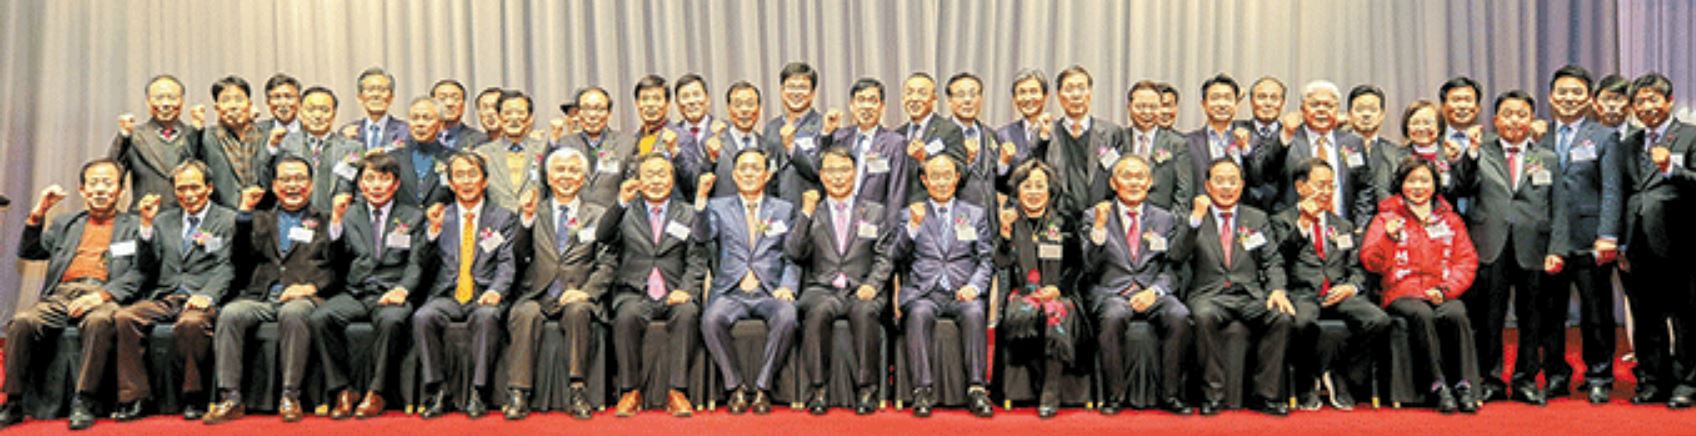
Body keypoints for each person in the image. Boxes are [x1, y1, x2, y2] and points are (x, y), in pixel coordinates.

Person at [1, 159, 149, 430]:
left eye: (108, 183)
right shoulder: (65, 223)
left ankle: (85, 400)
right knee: (21, 322)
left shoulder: (136, 225)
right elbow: (30, 252)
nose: (100, 189)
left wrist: (102, 295)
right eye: (94, 183)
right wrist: (38, 213)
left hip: (105, 294)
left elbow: (141, 271)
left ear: (120, 191)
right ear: (82, 190)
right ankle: (13, 401)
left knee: (99, 321)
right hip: (62, 294)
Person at [1449, 90, 1562, 405]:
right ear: (1495, 120)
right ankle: (1492, 379)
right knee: (1490, 318)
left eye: (1522, 114)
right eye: (1508, 114)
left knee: (1532, 318)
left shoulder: (1547, 157)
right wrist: (1470, 153)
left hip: (1533, 247)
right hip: (1490, 244)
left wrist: (1557, 249)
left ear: (1532, 119)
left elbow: (1559, 207)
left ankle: (1526, 379)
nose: (1515, 120)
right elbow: (1460, 186)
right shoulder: (1481, 153)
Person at [204, 156, 337, 424]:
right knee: (230, 314)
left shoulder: (326, 220)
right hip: (263, 296)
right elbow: (239, 258)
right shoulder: (260, 219)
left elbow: (338, 265)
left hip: (303, 296)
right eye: (285, 179)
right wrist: (244, 213)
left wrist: (310, 287)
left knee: (294, 313)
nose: (293, 185)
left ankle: (290, 396)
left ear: (311, 184)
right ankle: (231, 397)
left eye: (299, 179)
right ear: (275, 186)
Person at [313, 153, 431, 419]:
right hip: (356, 291)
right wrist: (335, 222)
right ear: (361, 184)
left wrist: (402, 290)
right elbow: (333, 260)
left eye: (384, 179)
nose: (376, 185)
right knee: (320, 318)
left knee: (392, 321)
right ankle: (342, 389)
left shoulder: (413, 216)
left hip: (392, 291)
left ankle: (377, 392)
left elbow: (417, 263)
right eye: (370, 179)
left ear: (396, 184)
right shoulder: (350, 215)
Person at [112, 160, 232, 422]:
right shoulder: (163, 220)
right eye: (181, 189)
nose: (188, 195)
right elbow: (145, 265)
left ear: (209, 188)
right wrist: (146, 226)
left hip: (202, 296)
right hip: (166, 295)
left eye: (194, 187)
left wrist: (208, 295)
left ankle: (193, 397)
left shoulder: (227, 220)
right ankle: (135, 397)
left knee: (191, 324)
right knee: (124, 317)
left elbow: (227, 266)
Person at [1171, 158, 1292, 416]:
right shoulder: (1192, 218)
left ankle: (1265, 395)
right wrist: (1195, 220)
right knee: (1203, 316)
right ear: (1207, 186)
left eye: (1232, 181)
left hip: (1249, 295)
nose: (1226, 187)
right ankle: (1213, 395)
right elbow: (1176, 256)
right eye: (1219, 181)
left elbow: (1272, 261)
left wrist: (1277, 290)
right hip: (1209, 295)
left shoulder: (1256, 218)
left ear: (1242, 185)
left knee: (1280, 316)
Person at [1360, 157, 1481, 413]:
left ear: (1435, 185)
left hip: (1441, 290)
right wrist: (1388, 238)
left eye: (1424, 180)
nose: (1418, 187)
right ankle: (1437, 385)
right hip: (1403, 292)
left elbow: (1466, 261)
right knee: (1421, 314)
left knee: (1456, 312)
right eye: (1411, 181)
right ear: (1401, 185)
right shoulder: (1386, 218)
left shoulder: (1450, 220)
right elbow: (1371, 262)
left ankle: (1464, 385)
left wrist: (1446, 290)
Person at [784, 147, 896, 415]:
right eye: (831, 171)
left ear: (855, 173)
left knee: (865, 312)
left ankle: (867, 389)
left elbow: (885, 257)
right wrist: (806, 213)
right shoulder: (813, 212)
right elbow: (795, 252)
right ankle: (818, 389)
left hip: (863, 288)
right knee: (818, 311)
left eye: (844, 170)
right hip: (822, 288)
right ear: (822, 176)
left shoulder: (874, 212)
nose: (838, 177)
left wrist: (873, 284)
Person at [1271, 159, 1390, 411]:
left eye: (1330, 186)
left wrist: (1352, 287)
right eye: (1320, 185)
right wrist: (1303, 225)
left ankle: (1342, 375)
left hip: (1339, 292)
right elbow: (1278, 259)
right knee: (1300, 322)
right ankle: (1307, 381)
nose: (1326, 192)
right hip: (1302, 293)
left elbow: (1356, 268)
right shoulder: (1281, 221)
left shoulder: (1342, 225)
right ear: (1300, 187)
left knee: (1378, 320)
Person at [505, 147, 610, 420]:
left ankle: (577, 389)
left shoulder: (598, 215)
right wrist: (526, 221)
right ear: (549, 177)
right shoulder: (533, 211)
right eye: (560, 170)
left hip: (577, 293)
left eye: (573, 170)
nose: (566, 176)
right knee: (524, 313)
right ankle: (519, 392)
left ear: (583, 178)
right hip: (537, 294)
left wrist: (586, 293)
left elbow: (608, 263)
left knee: (578, 312)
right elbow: (517, 255)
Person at [600, 153, 707, 417]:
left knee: (687, 313)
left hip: (674, 290)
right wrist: (620, 202)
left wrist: (687, 290)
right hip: (634, 290)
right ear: (638, 180)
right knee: (627, 316)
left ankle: (677, 391)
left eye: (662, 174)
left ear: (672, 179)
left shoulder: (688, 213)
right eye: (649, 175)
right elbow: (603, 235)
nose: (656, 181)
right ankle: (630, 390)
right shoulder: (626, 211)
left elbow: (697, 260)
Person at [1540, 65, 1623, 404]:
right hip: (1549, 241)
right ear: (1550, 97)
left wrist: (1608, 235)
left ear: (1589, 99)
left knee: (1596, 311)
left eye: (1577, 92)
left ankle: (1599, 375)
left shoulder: (1604, 136)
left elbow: (1612, 189)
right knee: (1550, 312)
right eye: (1562, 92)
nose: (1569, 98)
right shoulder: (1538, 135)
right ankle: (1556, 374)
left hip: (1590, 238)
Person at [413, 152, 518, 419]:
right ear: (450, 183)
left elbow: (507, 263)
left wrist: (496, 291)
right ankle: (438, 390)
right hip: (448, 294)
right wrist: (432, 233)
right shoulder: (440, 216)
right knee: (423, 317)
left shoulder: (502, 218)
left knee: (487, 317)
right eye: (459, 175)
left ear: (485, 181)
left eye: (473, 175)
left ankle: (478, 391)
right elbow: (422, 263)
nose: (467, 181)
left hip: (484, 294)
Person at [697, 148, 801, 415]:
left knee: (787, 315)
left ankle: (763, 388)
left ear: (767, 175)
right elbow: (702, 235)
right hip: (731, 292)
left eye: (755, 168)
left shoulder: (783, 209)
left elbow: (793, 256)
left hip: (769, 291)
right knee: (711, 319)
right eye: (743, 168)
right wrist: (701, 200)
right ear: (733, 174)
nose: (749, 173)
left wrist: (787, 286)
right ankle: (735, 387)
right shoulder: (718, 207)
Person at [1084, 155, 1190, 415]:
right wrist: (1099, 228)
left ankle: (1171, 394)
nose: (1134, 182)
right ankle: (1115, 396)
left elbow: (1173, 267)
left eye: (1140, 176)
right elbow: (1089, 266)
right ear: (1113, 183)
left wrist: (1154, 292)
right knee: (1114, 315)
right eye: (1127, 176)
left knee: (1179, 315)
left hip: (1152, 292)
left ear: (1149, 182)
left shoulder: (1165, 219)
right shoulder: (1094, 215)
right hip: (1111, 292)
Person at [892, 154, 995, 418]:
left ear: (957, 178)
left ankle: (976, 388)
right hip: (924, 291)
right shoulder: (909, 214)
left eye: (946, 176)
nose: (941, 182)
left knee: (974, 312)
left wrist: (974, 287)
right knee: (919, 314)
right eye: (935, 177)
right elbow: (896, 256)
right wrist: (912, 227)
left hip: (962, 290)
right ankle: (922, 389)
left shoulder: (975, 214)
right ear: (924, 180)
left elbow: (986, 259)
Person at [1618, 73, 1696, 407]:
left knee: (1686, 318)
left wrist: (1670, 170)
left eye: (1653, 99)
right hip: (1637, 245)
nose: (1647, 106)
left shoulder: (1690, 136)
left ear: (1669, 101)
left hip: (1682, 244)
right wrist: (1620, 242)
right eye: (1640, 101)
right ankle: (1653, 380)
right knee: (1646, 317)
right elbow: (1622, 194)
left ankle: (1688, 383)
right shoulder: (1629, 144)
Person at [994, 160, 1083, 418]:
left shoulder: (1063, 221)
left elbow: (1077, 265)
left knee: (1055, 311)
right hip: (1023, 292)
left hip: (1058, 292)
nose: (1033, 192)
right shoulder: (1010, 220)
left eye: (1039, 186)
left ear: (1050, 190)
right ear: (1017, 191)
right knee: (1026, 310)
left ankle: (1050, 391)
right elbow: (1001, 262)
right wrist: (1005, 234)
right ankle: (1034, 380)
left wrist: (1058, 288)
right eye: (1027, 186)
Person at [110, 75, 195, 209]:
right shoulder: (134, 136)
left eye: (172, 98)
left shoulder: (195, 136)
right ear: (148, 102)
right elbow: (113, 172)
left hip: (187, 215)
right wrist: (124, 136)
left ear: (182, 101)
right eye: (159, 98)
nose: (166, 104)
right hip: (145, 214)